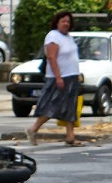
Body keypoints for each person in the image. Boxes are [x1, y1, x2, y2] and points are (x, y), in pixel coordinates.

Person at [25, 10, 82, 146]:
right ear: (57, 22)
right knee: (51, 106)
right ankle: (33, 129)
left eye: (68, 21)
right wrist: (58, 77)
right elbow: (51, 57)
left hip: (71, 77)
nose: (66, 24)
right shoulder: (53, 36)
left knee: (70, 107)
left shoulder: (68, 37)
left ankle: (70, 136)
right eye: (63, 21)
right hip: (59, 77)